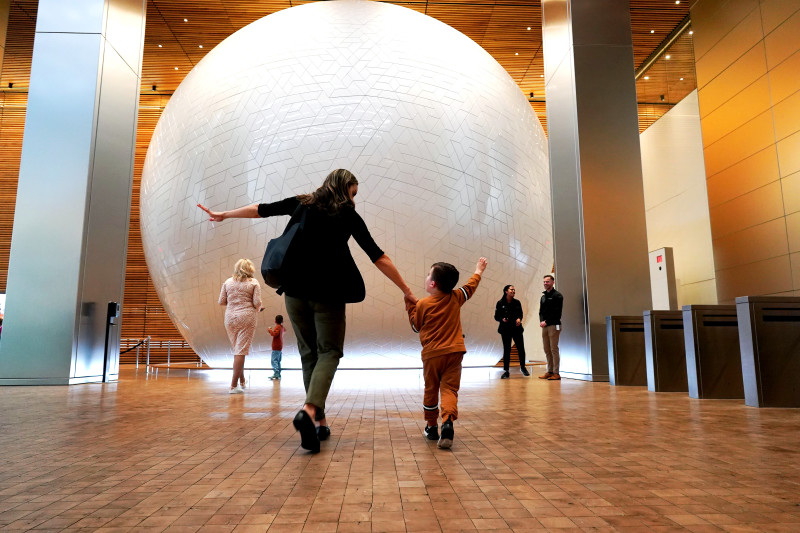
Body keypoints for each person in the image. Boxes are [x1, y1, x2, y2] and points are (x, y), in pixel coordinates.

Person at [199, 169, 415, 453]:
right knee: (329, 352)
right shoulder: (347, 215)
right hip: (329, 294)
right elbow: (378, 255)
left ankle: (318, 422)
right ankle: (309, 410)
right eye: (353, 194)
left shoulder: (302, 203)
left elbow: (260, 209)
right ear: (344, 189)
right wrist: (406, 290)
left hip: (294, 293)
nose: (354, 200)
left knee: (308, 354)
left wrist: (225, 214)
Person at [406, 257, 487, 449]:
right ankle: (448, 422)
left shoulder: (423, 304)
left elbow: (416, 326)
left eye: (428, 275)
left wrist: (409, 305)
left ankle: (432, 427)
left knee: (431, 389)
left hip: (432, 355)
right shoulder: (456, 297)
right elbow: (470, 287)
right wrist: (478, 271)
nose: (426, 277)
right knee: (450, 390)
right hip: (455, 352)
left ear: (432, 283)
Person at [218, 258, 263, 394]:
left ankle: (242, 381)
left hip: (230, 318)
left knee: (238, 350)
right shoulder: (254, 283)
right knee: (241, 351)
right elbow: (257, 302)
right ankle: (233, 386)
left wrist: (234, 304)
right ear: (250, 269)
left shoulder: (227, 282)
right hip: (247, 317)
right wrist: (259, 307)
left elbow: (221, 301)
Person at [494, 284, 529, 379]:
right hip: (505, 329)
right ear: (506, 291)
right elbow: (496, 317)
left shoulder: (517, 302)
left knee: (521, 348)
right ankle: (506, 371)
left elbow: (520, 314)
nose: (513, 291)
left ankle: (523, 367)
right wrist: (502, 319)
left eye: (514, 290)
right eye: (511, 290)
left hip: (516, 329)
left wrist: (519, 319)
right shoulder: (500, 303)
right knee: (507, 349)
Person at [539, 274, 563, 380]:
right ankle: (549, 371)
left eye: (547, 281)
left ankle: (556, 373)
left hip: (554, 325)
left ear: (553, 282)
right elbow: (541, 312)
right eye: (544, 282)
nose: (545, 283)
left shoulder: (558, 296)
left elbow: (557, 312)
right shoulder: (543, 297)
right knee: (547, 349)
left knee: (554, 349)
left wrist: (547, 321)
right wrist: (541, 321)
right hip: (545, 325)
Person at [267, 315, 286, 380]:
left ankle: (276, 373)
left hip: (276, 346)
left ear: (275, 321)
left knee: (274, 361)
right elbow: (284, 330)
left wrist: (270, 330)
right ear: (282, 321)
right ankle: (278, 373)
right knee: (278, 361)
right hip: (280, 346)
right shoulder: (282, 327)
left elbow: (274, 334)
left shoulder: (277, 327)